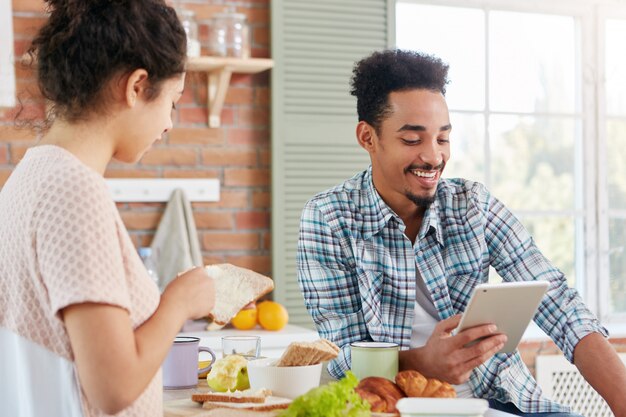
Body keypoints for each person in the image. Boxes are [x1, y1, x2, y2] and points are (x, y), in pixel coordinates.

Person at [296, 49, 626, 416]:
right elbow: (345, 359)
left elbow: (561, 306)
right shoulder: (328, 217)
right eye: (412, 140)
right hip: (394, 408)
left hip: (503, 400)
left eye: (443, 138)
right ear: (368, 137)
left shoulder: (473, 205)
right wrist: (421, 362)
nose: (434, 157)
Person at [0, 1, 216, 416]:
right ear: (136, 86)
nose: (170, 123)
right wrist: (179, 303)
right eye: (173, 101)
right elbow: (113, 388)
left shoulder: (31, 174)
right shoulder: (74, 191)